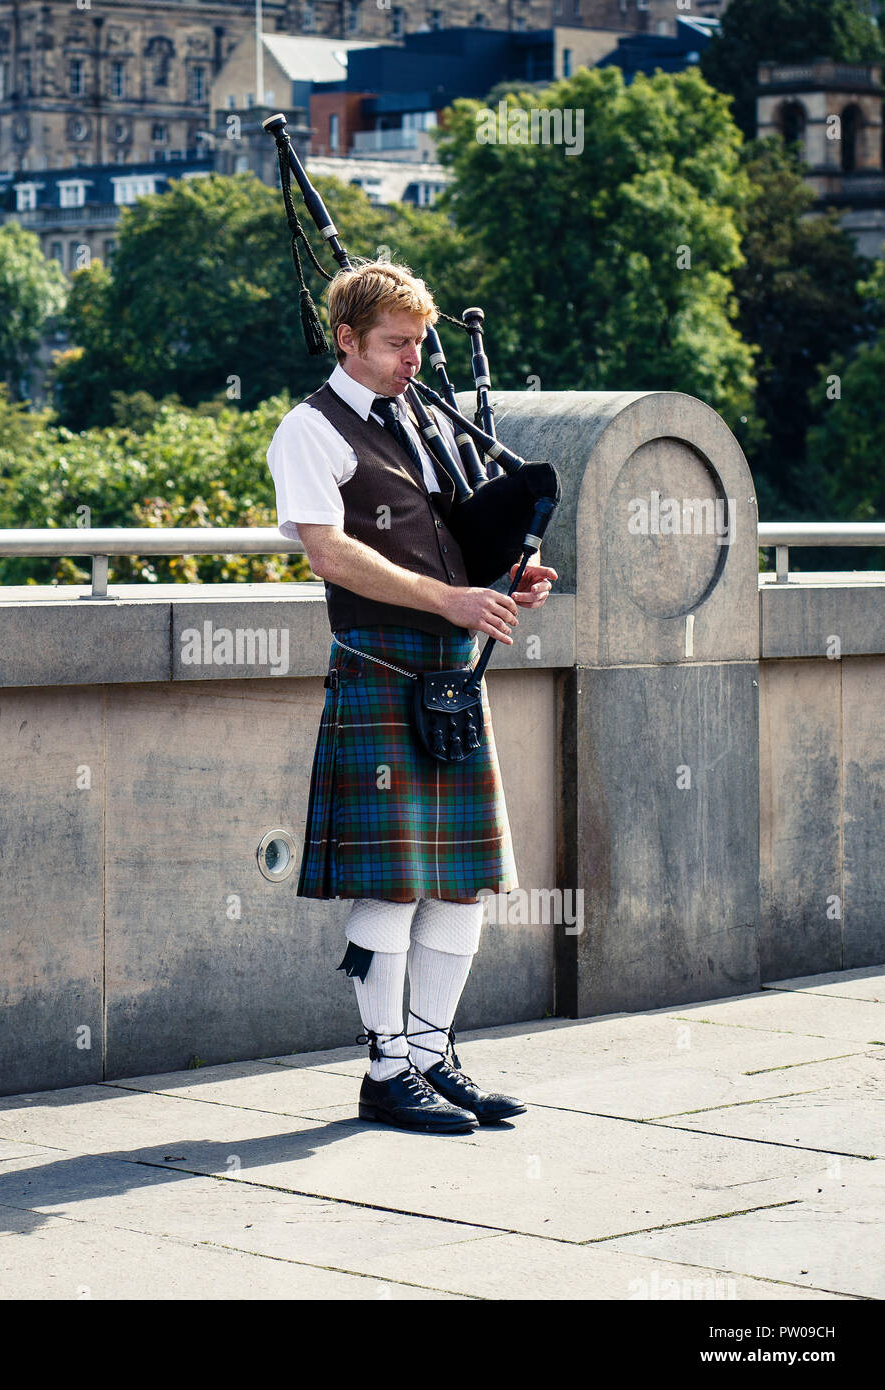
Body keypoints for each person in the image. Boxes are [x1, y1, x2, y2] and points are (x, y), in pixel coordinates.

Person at [266, 259, 556, 1134]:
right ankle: (385, 1070)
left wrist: (504, 577)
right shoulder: (309, 431)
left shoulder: (424, 423)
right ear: (346, 339)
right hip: (383, 667)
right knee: (394, 884)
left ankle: (432, 1057)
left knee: (460, 883)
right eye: (395, 344)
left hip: (451, 672)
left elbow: (453, 539)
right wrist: (449, 599)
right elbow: (330, 553)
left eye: (421, 341)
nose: (413, 358)